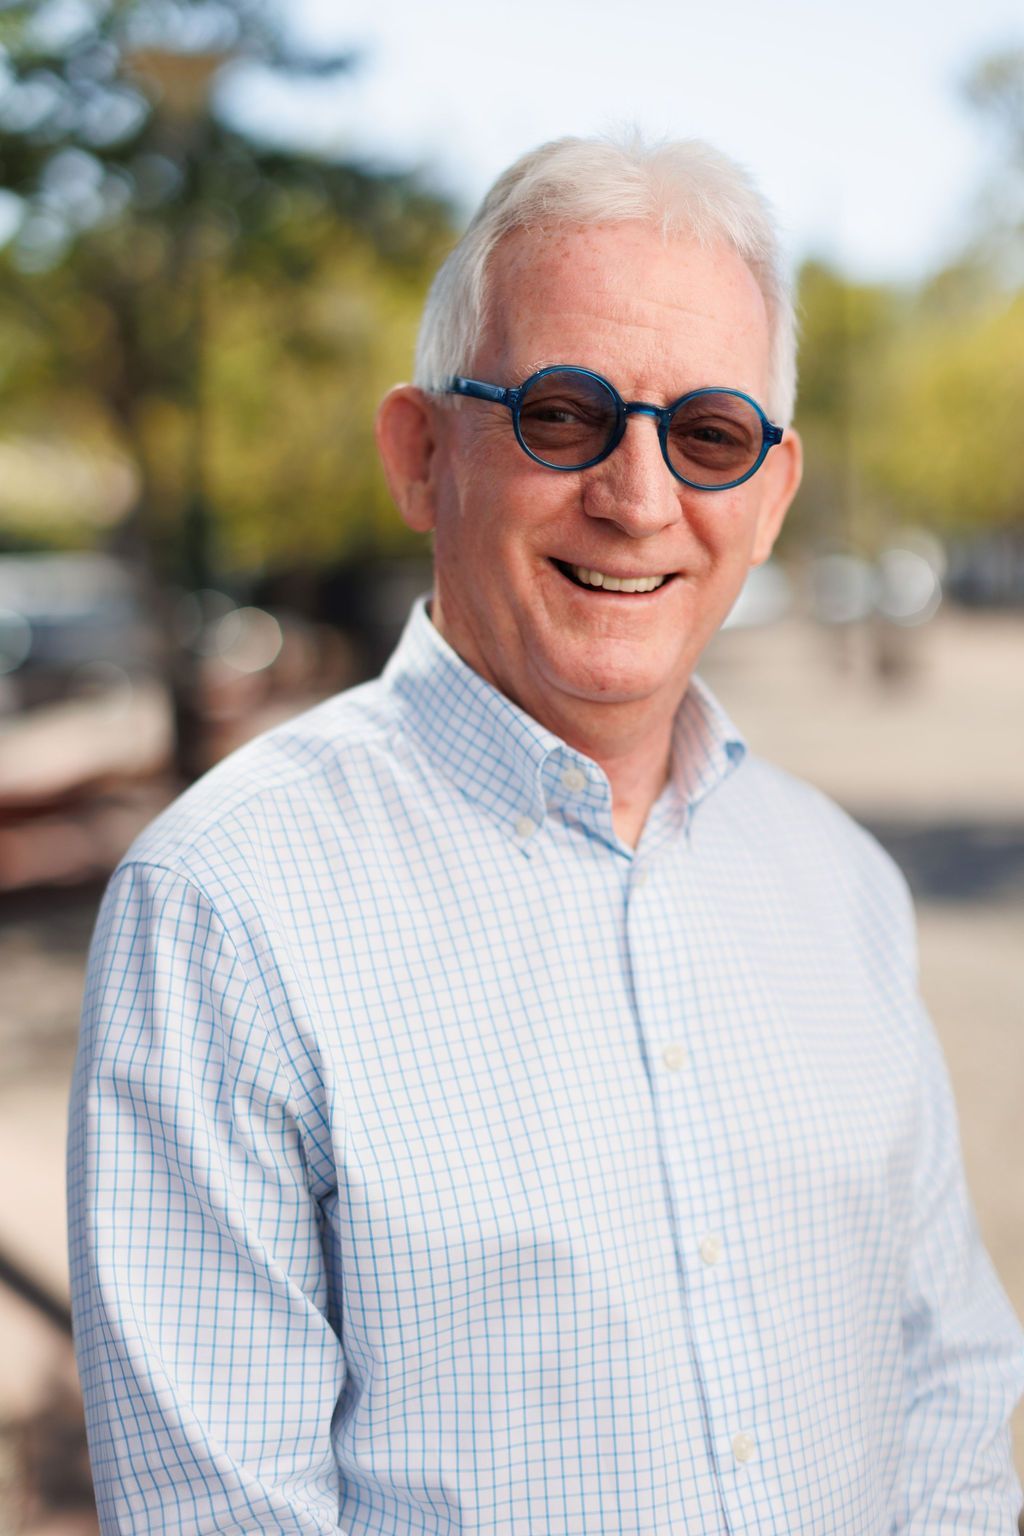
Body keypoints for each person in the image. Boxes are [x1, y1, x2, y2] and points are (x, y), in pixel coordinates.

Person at [68, 133, 1024, 1535]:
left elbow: (946, 1383)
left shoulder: (844, 885)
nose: (638, 498)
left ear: (767, 497)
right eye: (564, 415)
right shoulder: (223, 909)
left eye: (707, 435)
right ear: (421, 452)